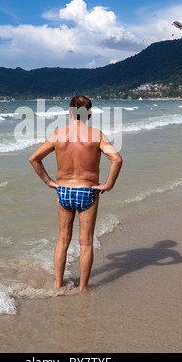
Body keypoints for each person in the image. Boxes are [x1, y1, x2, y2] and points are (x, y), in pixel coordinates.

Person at [29, 95, 122, 293]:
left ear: (70, 113)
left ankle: (58, 284)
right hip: (88, 191)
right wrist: (108, 185)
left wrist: (48, 181)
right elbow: (117, 159)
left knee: (63, 239)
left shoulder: (58, 134)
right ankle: (83, 287)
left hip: (63, 191)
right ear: (89, 115)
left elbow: (34, 158)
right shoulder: (96, 135)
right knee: (86, 241)